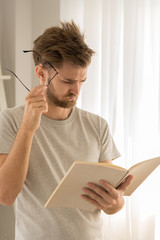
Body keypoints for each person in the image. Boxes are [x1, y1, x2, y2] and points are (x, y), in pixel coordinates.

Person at [0, 21, 132, 240]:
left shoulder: (97, 126)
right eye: (68, 81)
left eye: (82, 80)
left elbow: (110, 201)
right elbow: (5, 195)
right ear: (41, 74)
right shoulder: (12, 120)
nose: (77, 90)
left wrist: (115, 203)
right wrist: (28, 128)